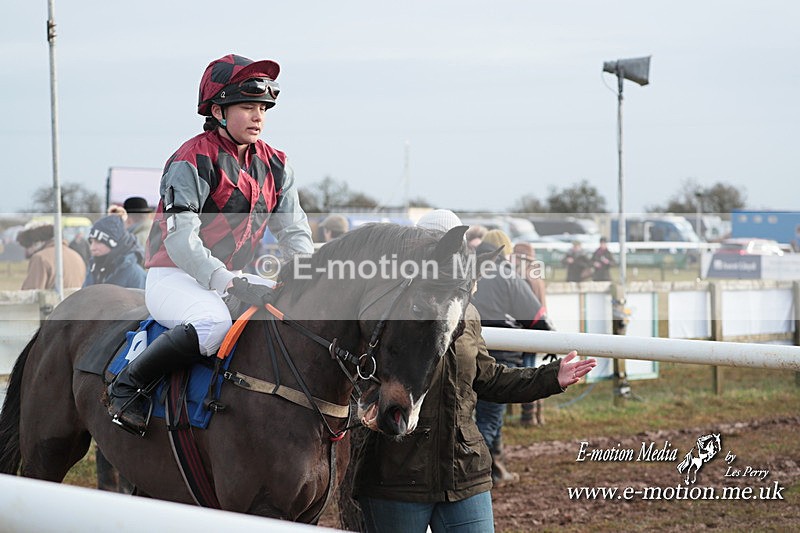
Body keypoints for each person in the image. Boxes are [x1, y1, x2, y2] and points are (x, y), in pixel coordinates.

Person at [350, 210, 596, 533]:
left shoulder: (469, 314)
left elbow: (488, 377)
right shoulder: (386, 313)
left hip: (465, 474)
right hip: (396, 478)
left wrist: (552, 377)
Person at [106, 54, 314, 434]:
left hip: (233, 275)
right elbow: (181, 240)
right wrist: (228, 282)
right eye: (248, 107)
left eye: (263, 108)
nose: (258, 117)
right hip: (174, 275)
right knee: (211, 323)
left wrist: (308, 274)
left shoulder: (278, 164)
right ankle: (128, 386)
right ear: (218, 110)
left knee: (302, 310)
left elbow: (295, 231)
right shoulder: (190, 159)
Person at [472, 229, 554, 485]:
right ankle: (474, 474)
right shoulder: (508, 275)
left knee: (486, 416)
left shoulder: (467, 273)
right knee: (490, 419)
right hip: (500, 359)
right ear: (505, 252)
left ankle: (497, 471)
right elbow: (536, 318)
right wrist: (551, 340)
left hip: (465, 356)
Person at [510, 242, 548, 426]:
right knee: (533, 371)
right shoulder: (537, 277)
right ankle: (537, 415)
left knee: (527, 374)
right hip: (537, 330)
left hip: (525, 332)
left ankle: (528, 416)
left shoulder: (522, 278)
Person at [16, 223, 86, 290]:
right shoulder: (77, 256)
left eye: (27, 245)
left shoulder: (40, 258)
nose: (27, 250)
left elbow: (31, 294)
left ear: (37, 243)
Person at [83, 215, 146, 289]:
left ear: (113, 243)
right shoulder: (93, 268)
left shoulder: (135, 275)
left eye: (98, 242)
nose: (92, 248)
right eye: (91, 242)